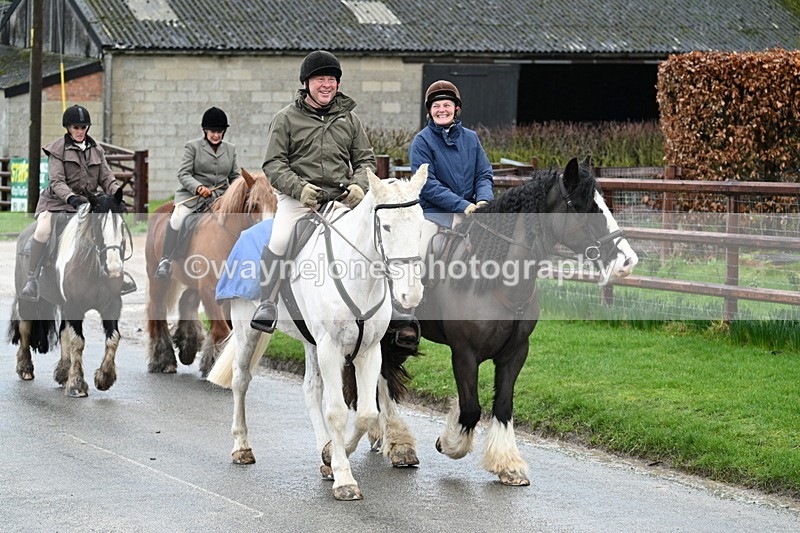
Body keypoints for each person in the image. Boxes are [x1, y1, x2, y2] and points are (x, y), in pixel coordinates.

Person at [249, 50, 418, 348]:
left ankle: (394, 310)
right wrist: (299, 188)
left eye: (331, 79)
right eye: (319, 79)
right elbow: (274, 164)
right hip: (299, 199)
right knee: (280, 239)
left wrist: (358, 186)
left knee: (377, 238)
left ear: (338, 84)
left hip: (342, 199)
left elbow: (365, 160)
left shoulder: (350, 119)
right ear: (306, 83)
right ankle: (268, 303)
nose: (326, 85)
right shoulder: (285, 118)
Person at [19, 104, 135, 301]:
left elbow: (106, 177)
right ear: (68, 128)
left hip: (87, 202)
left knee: (110, 229)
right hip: (57, 202)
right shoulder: (57, 149)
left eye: (83, 127)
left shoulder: (96, 149)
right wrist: (71, 198)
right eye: (76, 128)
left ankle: (116, 272)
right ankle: (32, 278)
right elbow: (56, 181)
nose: (80, 131)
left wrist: (116, 196)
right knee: (43, 229)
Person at [408, 80, 494, 254]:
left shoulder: (471, 138)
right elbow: (427, 185)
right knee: (421, 253)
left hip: (471, 210)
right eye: (436, 106)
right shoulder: (421, 141)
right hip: (434, 214)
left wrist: (483, 201)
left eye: (447, 105)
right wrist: (462, 206)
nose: (442, 110)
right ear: (430, 111)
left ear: (456, 108)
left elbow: (483, 175)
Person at [154, 107, 240, 279]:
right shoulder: (193, 147)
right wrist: (199, 187)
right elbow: (183, 174)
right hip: (193, 197)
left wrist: (237, 191)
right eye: (213, 131)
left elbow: (235, 176)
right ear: (205, 131)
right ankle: (166, 260)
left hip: (220, 198)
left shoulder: (230, 149)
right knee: (177, 218)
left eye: (219, 132)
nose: (216, 135)